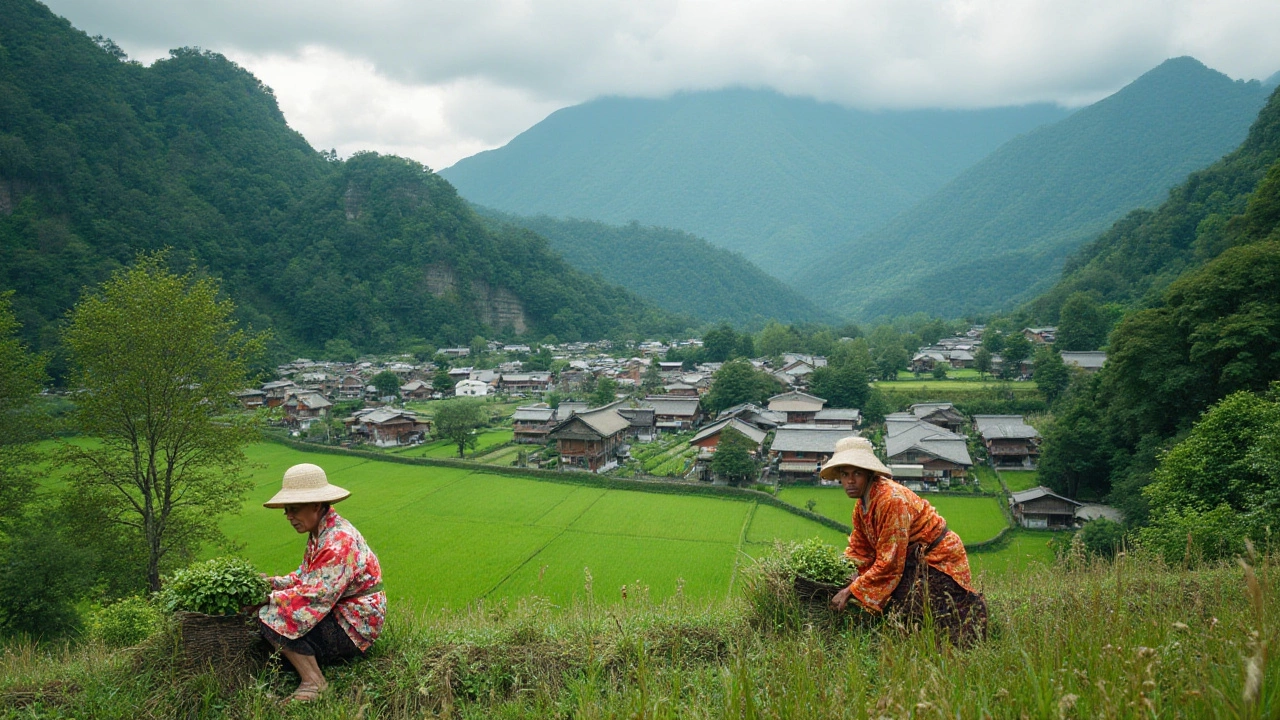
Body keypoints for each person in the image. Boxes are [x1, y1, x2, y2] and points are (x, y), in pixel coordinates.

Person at [823, 437, 987, 646]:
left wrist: (851, 590)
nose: (850, 481)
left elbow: (890, 562)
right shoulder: (861, 507)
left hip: (937, 559)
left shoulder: (891, 500)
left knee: (934, 610)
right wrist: (844, 571)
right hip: (911, 558)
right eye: (845, 474)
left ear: (869, 474)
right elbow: (859, 548)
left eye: (857, 473)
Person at [257, 463, 386, 703]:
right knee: (274, 610)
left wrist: (269, 599)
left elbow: (316, 596)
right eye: (286, 510)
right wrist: (271, 584)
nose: (288, 516)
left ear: (316, 505)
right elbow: (304, 576)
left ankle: (314, 682)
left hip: (355, 623)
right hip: (341, 611)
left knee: (271, 616)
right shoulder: (320, 533)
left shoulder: (338, 541)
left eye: (294, 509)